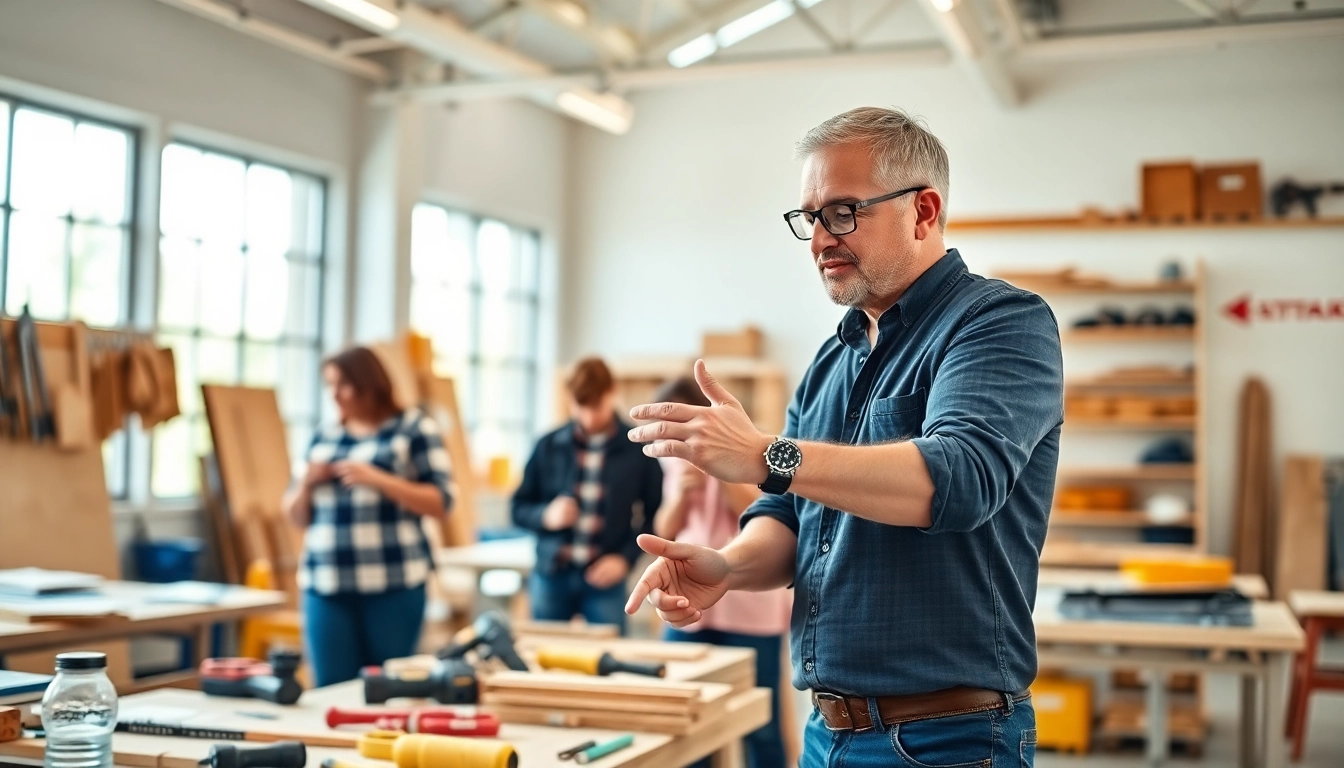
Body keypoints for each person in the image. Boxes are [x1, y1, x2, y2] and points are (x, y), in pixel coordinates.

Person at [623, 107, 1064, 767]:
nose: (820, 239)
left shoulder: (1000, 322)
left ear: (923, 211)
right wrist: (730, 567)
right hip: (827, 733)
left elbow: (960, 478)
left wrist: (766, 454)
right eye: (810, 217)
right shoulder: (834, 360)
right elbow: (789, 516)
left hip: (946, 739)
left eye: (844, 212)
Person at [282, 346, 452, 687]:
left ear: (369, 384)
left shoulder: (414, 429)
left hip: (393, 583)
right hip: (326, 582)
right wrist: (306, 484)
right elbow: (295, 516)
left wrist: (377, 478)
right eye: (329, 385)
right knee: (330, 686)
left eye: (343, 385)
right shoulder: (324, 435)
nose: (335, 395)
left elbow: (442, 502)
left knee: (387, 686)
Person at [652, 377, 791, 768]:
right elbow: (665, 527)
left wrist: (717, 468)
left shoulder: (746, 446)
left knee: (759, 720)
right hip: (690, 594)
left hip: (749, 600)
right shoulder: (671, 461)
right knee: (687, 714)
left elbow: (762, 510)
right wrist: (681, 494)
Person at [512, 357, 662, 635]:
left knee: (608, 659)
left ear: (612, 393)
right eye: (582, 407)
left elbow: (655, 515)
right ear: (570, 400)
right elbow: (518, 508)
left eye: (597, 406)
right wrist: (545, 516)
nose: (590, 417)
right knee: (543, 655)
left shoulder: (638, 449)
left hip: (606, 576)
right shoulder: (548, 446)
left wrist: (624, 560)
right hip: (552, 572)